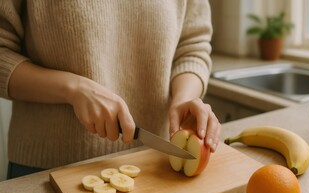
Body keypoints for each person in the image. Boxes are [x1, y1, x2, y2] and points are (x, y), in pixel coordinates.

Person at [0, 0, 221, 179]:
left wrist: (184, 98)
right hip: (43, 172)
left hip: (153, 167)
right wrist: (73, 89)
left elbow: (193, 46)